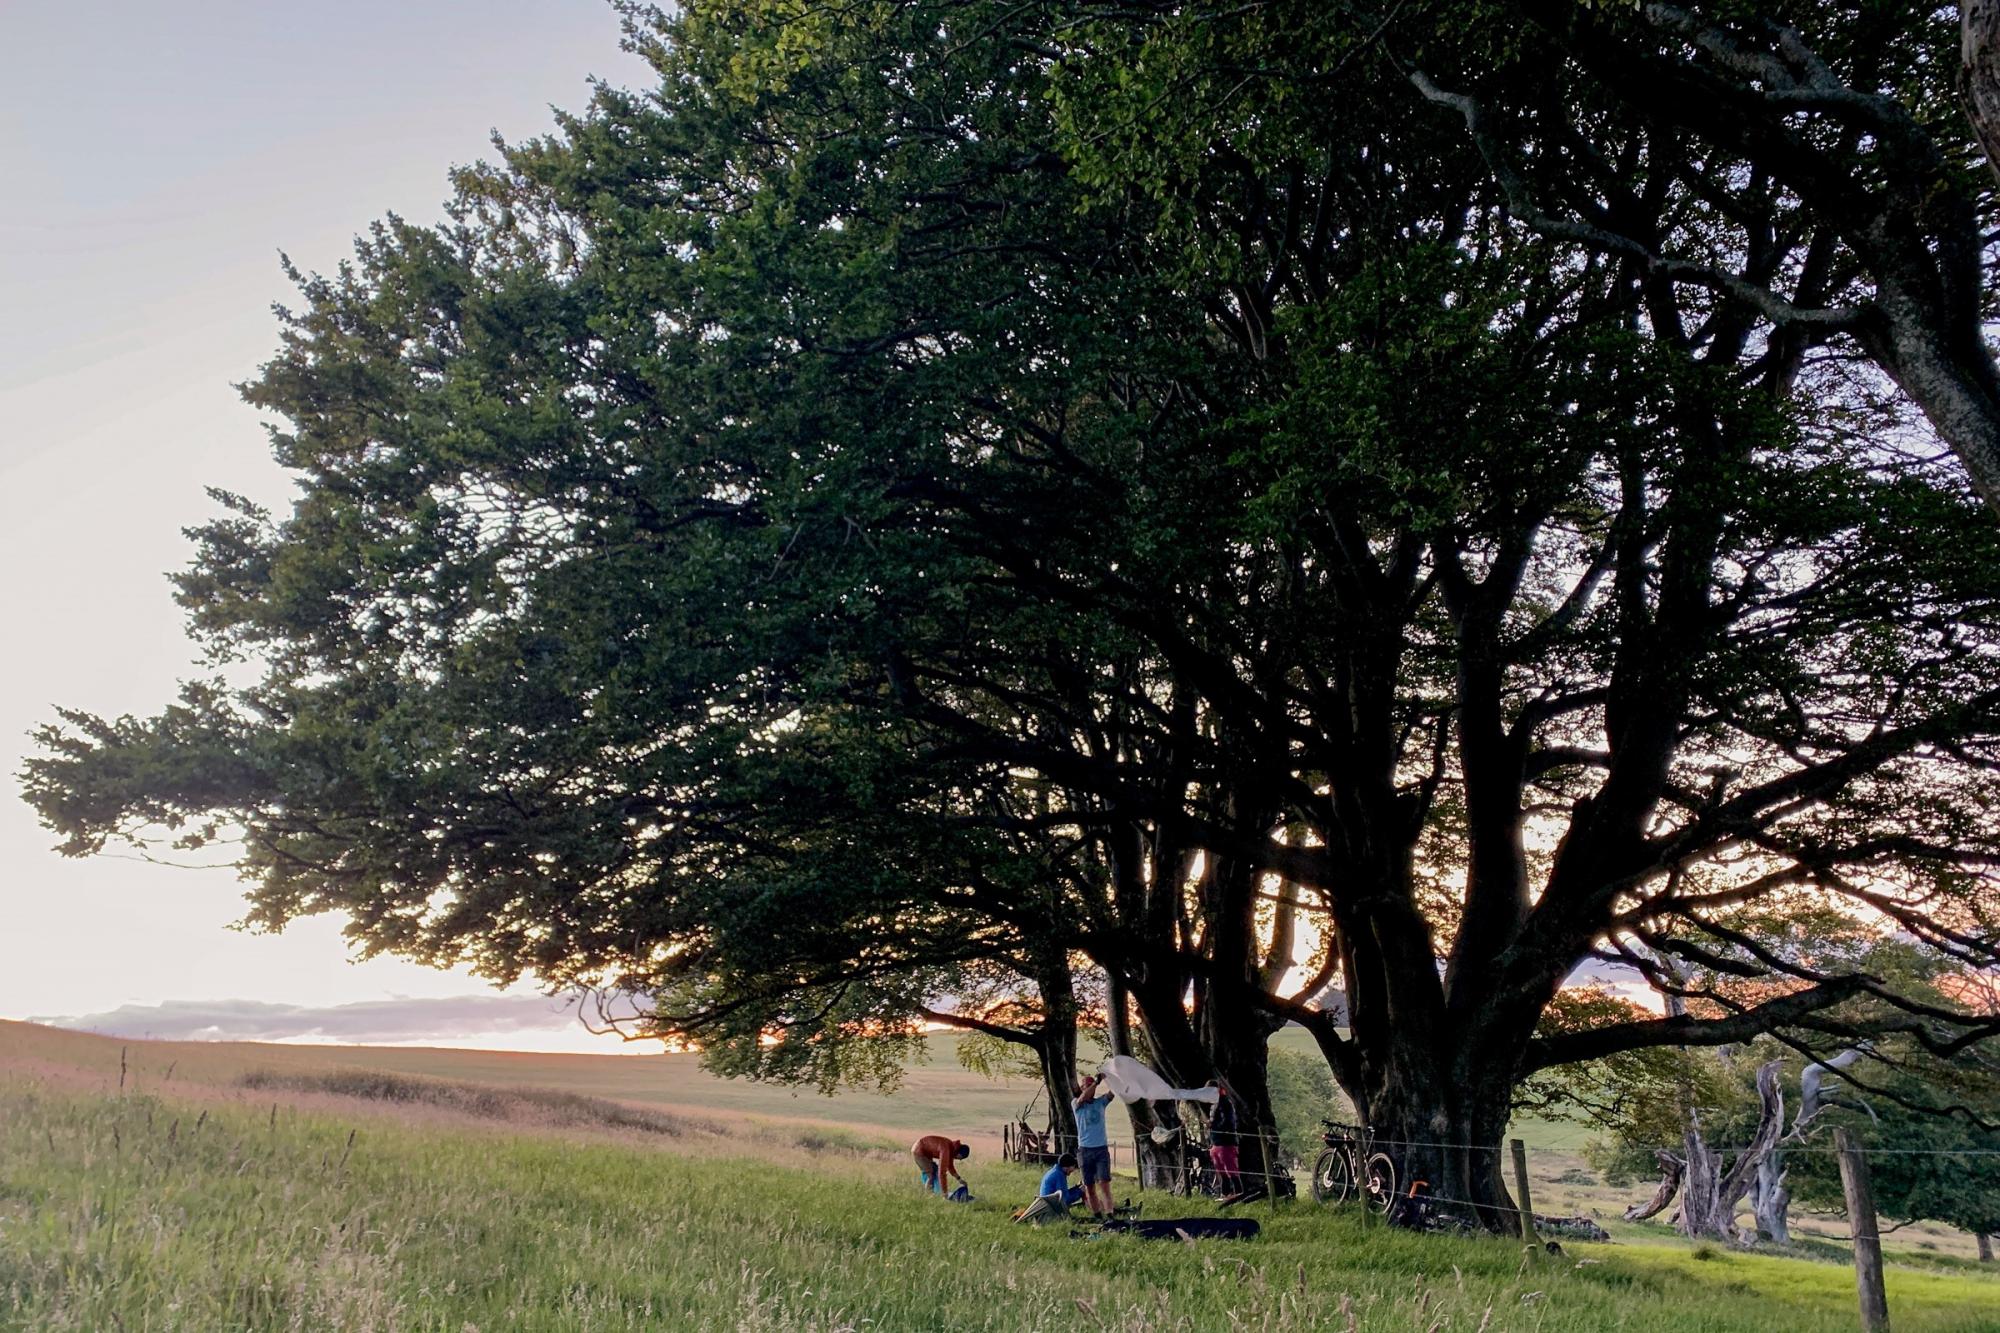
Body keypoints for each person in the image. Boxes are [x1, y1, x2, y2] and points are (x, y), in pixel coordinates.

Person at [1073, 1073, 1116, 1218]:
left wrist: (1115, 1079)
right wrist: (1096, 1082)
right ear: (1082, 1088)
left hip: (1101, 1149)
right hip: (1085, 1150)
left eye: (1090, 1085)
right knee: (1089, 1186)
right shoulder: (1077, 1104)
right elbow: (1084, 1097)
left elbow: (1112, 1094)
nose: (1089, 1088)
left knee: (1104, 1183)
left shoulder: (1101, 1102)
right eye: (1086, 1085)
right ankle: (1097, 1214)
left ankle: (1109, 1213)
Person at [1206, 1077, 1243, 1195]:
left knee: (1231, 1171)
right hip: (1216, 1142)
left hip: (1226, 1142)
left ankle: (1238, 1194)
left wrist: (1213, 1125)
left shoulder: (1225, 1103)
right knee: (1221, 1172)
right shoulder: (1214, 1104)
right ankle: (1226, 1194)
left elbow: (1229, 1122)